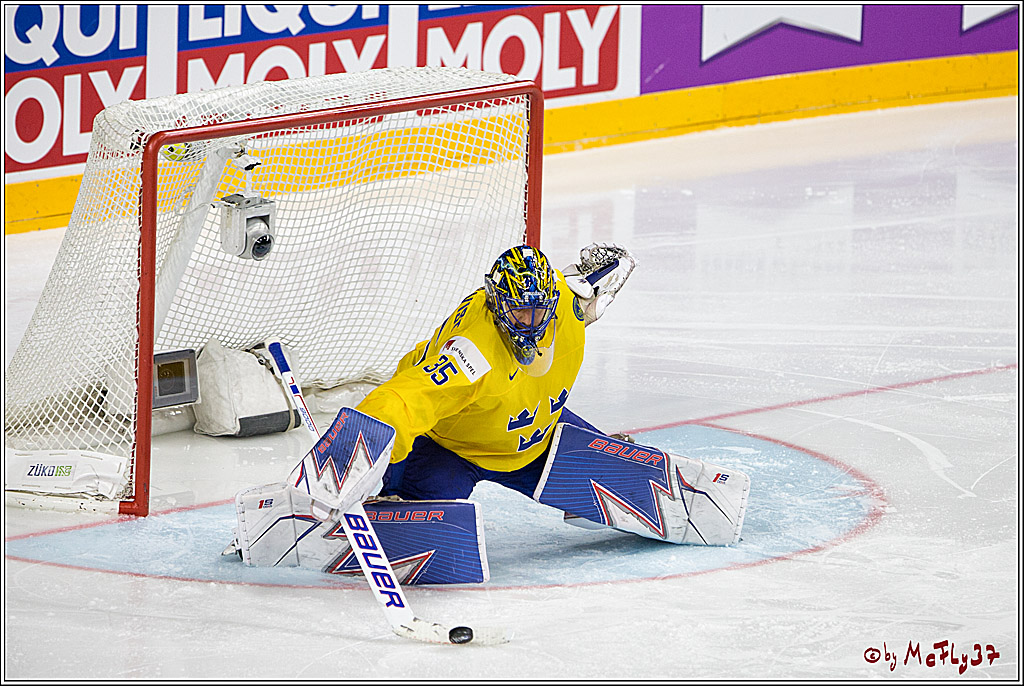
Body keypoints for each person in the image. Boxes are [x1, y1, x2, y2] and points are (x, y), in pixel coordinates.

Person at [353, 242, 637, 503]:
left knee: (621, 472)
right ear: (496, 303)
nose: (529, 323)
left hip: (531, 430)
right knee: (425, 514)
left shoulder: (565, 303)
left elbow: (583, 286)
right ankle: (396, 490)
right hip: (452, 448)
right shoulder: (472, 355)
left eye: (537, 311)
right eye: (519, 311)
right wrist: (356, 458)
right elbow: (401, 400)